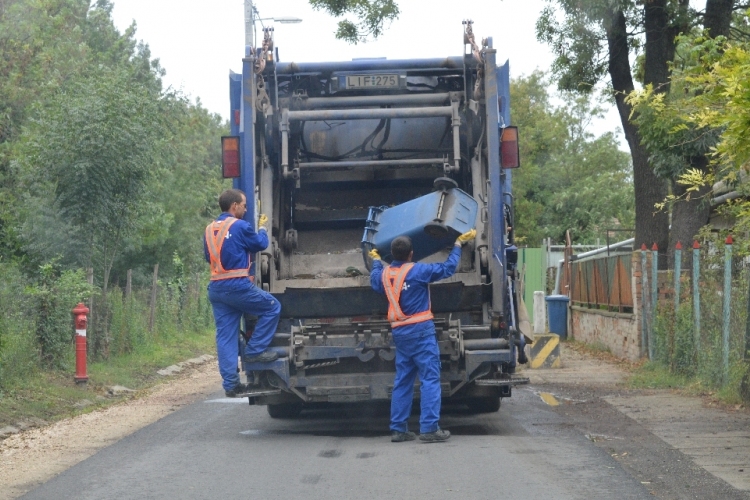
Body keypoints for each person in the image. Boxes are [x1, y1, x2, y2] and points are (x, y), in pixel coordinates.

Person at [369, 229, 476, 443]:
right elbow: (447, 269)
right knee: (429, 379)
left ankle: (398, 429)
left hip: (400, 333)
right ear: (411, 254)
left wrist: (375, 261)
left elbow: (374, 279)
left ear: (392, 254)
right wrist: (457, 245)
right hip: (421, 331)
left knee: (403, 380)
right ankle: (428, 429)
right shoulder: (419, 271)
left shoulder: (383, 275)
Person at [204, 189, 281, 397]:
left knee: (225, 336)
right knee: (272, 307)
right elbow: (260, 244)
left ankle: (231, 385)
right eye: (244, 205)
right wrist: (263, 228)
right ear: (234, 206)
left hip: (216, 289)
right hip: (237, 286)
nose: (246, 209)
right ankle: (255, 351)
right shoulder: (241, 226)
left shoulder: (209, 229)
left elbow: (208, 257)